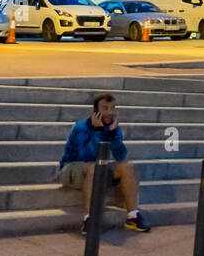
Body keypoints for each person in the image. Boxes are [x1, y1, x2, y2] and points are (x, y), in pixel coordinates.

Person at [58, 93, 151, 233]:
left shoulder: (114, 129)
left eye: (112, 108)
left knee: (126, 166)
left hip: (98, 168)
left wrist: (112, 134)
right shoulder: (81, 128)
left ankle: (133, 217)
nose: (109, 112)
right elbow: (86, 155)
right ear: (96, 112)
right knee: (93, 167)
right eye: (105, 108)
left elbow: (120, 156)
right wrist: (99, 131)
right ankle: (90, 219)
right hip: (72, 169)